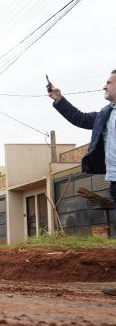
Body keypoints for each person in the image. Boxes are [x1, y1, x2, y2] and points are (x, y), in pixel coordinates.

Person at [49, 69, 116, 296]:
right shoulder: (105, 115)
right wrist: (59, 100)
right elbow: (79, 118)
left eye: (108, 82)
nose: (104, 86)